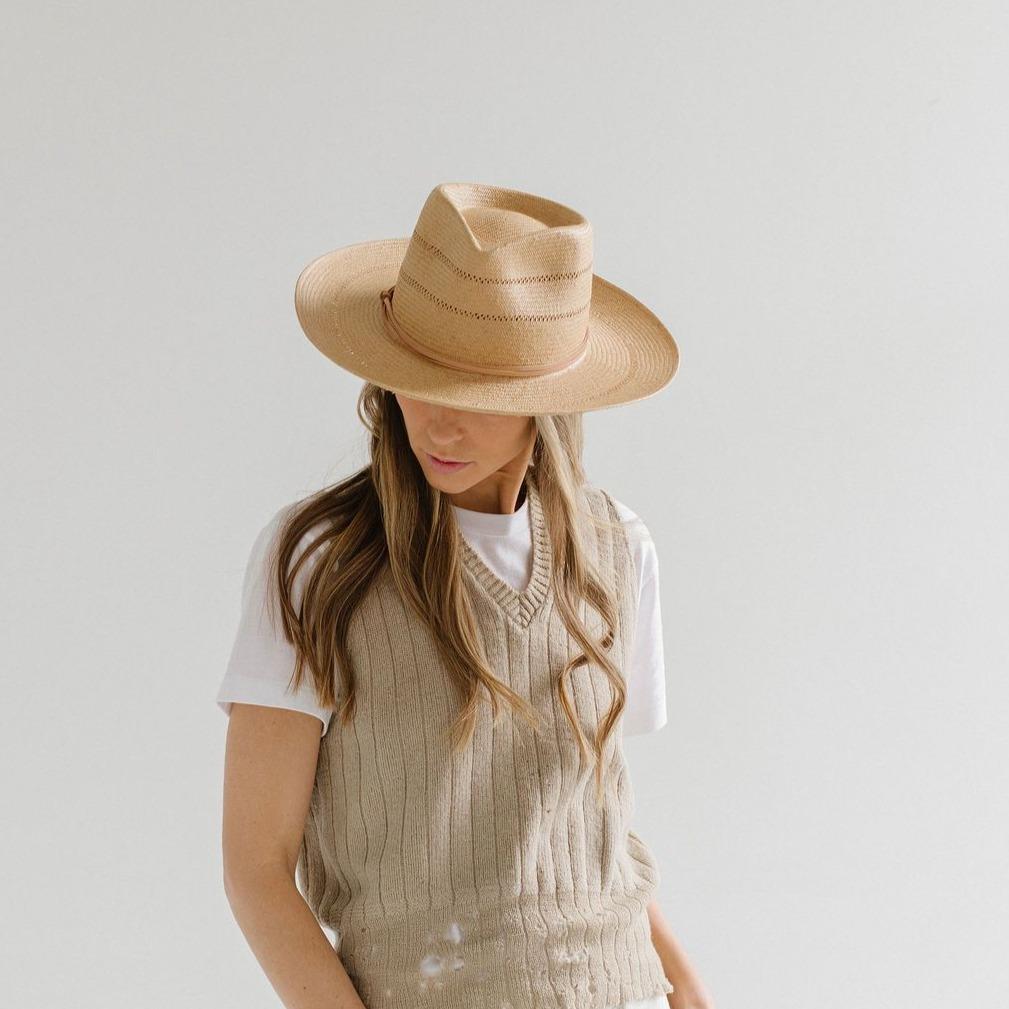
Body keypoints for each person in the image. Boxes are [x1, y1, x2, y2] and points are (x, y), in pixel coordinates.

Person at [216, 182, 714, 1009]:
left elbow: (588, 824)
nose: (439, 427)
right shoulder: (320, 559)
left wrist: (686, 983)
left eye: (478, 397)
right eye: (418, 381)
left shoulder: (616, 548)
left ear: (544, 403)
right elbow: (255, 868)